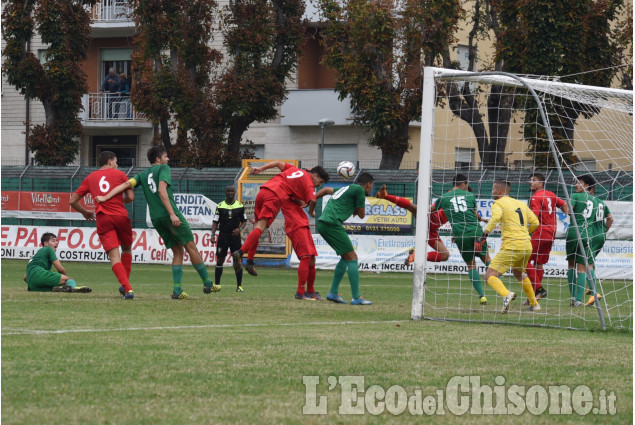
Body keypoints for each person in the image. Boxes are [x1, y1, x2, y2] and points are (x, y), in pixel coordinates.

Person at [96, 145, 213, 299]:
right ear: (158, 159)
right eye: (165, 156)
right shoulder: (164, 169)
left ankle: (177, 289)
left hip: (156, 219)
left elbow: (125, 185)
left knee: (178, 251)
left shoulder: (142, 175)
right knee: (191, 246)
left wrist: (105, 197)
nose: (168, 159)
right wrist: (172, 214)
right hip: (169, 214)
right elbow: (161, 190)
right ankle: (207, 282)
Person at [231, 161, 329, 277]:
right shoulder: (308, 180)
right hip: (274, 196)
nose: (318, 185)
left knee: (258, 228)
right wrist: (311, 211)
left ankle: (250, 262)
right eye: (320, 182)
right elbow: (313, 200)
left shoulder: (295, 170)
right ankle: (240, 252)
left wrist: (261, 169)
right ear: (315, 175)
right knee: (261, 228)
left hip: (263, 191)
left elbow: (278, 163)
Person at [70, 151, 136, 299]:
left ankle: (128, 289)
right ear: (110, 161)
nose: (117, 164)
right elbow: (131, 197)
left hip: (103, 218)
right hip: (120, 216)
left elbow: (72, 201)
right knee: (126, 249)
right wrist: (119, 202)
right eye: (116, 161)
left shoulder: (90, 177)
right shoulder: (120, 175)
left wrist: (85, 212)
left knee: (114, 257)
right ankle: (125, 285)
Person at [475, 181, 540, 313]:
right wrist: (525, 233)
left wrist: (483, 236)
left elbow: (495, 218)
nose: (492, 191)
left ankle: (506, 295)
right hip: (526, 245)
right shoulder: (521, 204)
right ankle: (534, 304)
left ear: (499, 191)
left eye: (493, 189)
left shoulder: (498, 203)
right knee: (519, 272)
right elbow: (535, 222)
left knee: (489, 276)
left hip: (512, 245)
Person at [314, 172, 375, 305]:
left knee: (345, 257)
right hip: (332, 224)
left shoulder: (345, 189)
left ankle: (333, 293)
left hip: (324, 223)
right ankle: (356, 298)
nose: (371, 189)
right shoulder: (359, 190)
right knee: (353, 258)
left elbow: (325, 190)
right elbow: (361, 214)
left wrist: (311, 199)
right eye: (372, 186)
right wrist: (369, 199)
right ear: (368, 184)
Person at [430, 175, 490, 305]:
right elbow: (474, 215)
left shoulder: (444, 198)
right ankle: (503, 290)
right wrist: (482, 219)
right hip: (476, 232)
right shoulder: (470, 195)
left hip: (461, 235)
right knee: (487, 261)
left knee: (471, 265)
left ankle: (482, 296)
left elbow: (430, 210)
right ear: (463, 184)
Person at [524, 173, 569, 301]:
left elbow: (534, 217)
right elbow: (564, 205)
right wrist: (567, 212)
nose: (530, 182)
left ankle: (539, 289)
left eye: (534, 180)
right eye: (530, 179)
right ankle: (534, 295)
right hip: (551, 234)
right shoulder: (551, 194)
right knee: (539, 263)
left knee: (523, 260)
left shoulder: (535, 197)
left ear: (541, 183)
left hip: (540, 233)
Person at [281, 197, 322, 300]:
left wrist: (304, 202)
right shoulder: (288, 187)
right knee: (306, 256)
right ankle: (300, 292)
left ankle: (311, 291)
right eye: (320, 180)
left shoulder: (295, 187)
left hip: (303, 223)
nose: (319, 184)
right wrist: (308, 205)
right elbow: (311, 199)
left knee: (312, 258)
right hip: (295, 225)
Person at [23, 233, 91, 293]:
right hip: (39, 274)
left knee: (54, 289)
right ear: (46, 243)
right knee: (70, 279)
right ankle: (72, 288)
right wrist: (66, 279)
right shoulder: (48, 249)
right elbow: (60, 269)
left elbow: (25, 277)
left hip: (32, 285)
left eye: (56, 241)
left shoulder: (36, 256)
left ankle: (62, 289)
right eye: (53, 241)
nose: (56, 243)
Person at [210, 185, 247, 292]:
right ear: (225, 192)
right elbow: (215, 221)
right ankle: (217, 285)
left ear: (235, 192)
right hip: (223, 236)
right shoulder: (220, 206)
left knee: (237, 260)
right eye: (228, 191)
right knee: (220, 259)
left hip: (235, 237)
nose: (230, 193)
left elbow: (244, 221)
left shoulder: (240, 206)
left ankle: (239, 286)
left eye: (232, 191)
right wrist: (212, 235)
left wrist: (239, 229)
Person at [585, 182, 613, 306]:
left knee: (584, 263)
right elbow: (610, 219)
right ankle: (591, 288)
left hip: (591, 235)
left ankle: (594, 293)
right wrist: (603, 231)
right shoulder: (601, 202)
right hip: (601, 235)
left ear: (590, 189)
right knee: (590, 261)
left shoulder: (587, 202)